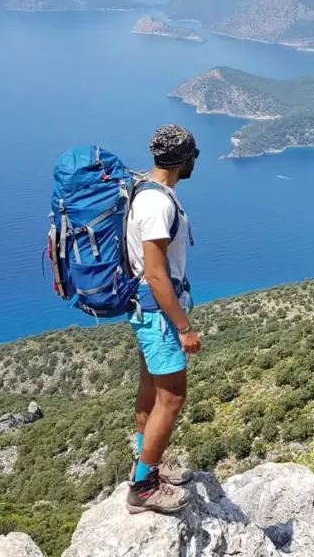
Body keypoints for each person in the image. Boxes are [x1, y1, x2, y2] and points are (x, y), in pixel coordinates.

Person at [125, 124, 202, 515]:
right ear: (185, 159)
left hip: (146, 312)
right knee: (172, 398)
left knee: (151, 392)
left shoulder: (147, 190)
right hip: (158, 316)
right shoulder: (157, 205)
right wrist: (184, 327)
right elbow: (156, 274)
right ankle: (143, 487)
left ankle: (147, 464)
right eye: (195, 155)